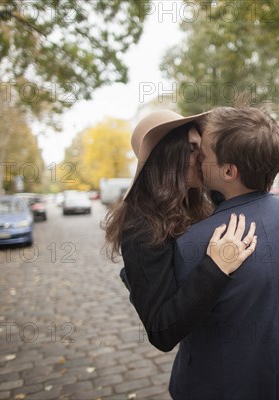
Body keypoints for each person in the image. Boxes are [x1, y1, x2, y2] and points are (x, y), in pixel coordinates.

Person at [170, 106, 279, 398]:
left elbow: (174, 325)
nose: (197, 159)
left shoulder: (194, 242)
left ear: (229, 171)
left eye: (203, 154)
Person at [102, 109, 258, 352]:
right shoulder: (141, 227)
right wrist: (215, 267)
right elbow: (161, 331)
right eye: (193, 148)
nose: (203, 155)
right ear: (168, 157)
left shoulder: (202, 200)